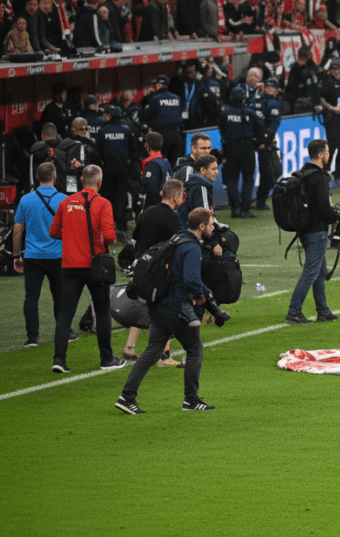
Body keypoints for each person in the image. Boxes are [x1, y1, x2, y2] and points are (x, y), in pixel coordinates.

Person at [114, 207, 218, 414]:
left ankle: (126, 397)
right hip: (176, 307)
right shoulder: (192, 247)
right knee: (195, 350)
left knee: (152, 352)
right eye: (211, 224)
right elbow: (190, 280)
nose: (213, 227)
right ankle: (191, 400)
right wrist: (206, 293)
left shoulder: (176, 239)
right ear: (201, 226)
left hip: (158, 305)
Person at [49, 165, 126, 374]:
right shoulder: (102, 203)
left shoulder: (66, 202)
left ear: (82, 179)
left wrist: (73, 237)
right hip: (95, 265)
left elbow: (54, 231)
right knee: (101, 312)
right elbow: (110, 236)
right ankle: (106, 358)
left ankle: (59, 359)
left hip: (70, 265)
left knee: (65, 313)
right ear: (99, 183)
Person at [286, 139, 340, 324]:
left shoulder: (302, 174)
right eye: (327, 152)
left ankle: (323, 310)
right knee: (312, 271)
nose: (329, 155)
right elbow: (323, 208)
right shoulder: (319, 177)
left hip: (304, 229)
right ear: (321, 154)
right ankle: (294, 312)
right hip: (316, 230)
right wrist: (339, 216)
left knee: (320, 271)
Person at [127, 178, 188, 366]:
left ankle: (129, 346)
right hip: (158, 271)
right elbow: (180, 243)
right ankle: (164, 356)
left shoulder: (148, 212)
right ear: (176, 197)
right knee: (166, 309)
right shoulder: (172, 217)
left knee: (144, 306)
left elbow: (135, 236)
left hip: (141, 267)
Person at [14, 162, 71, 347]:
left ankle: (32, 337)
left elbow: (17, 230)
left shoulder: (26, 199)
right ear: (55, 177)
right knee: (59, 296)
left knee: (31, 296)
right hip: (57, 255)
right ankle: (65, 332)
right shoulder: (64, 199)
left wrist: (16, 256)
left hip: (33, 255)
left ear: (37, 177)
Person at [218, 87, 264, 219]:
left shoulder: (225, 113)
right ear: (244, 98)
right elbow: (260, 130)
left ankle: (235, 209)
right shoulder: (251, 113)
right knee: (248, 179)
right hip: (248, 148)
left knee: (232, 178)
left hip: (231, 148)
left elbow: (222, 129)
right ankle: (245, 210)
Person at [95, 104, 137, 236]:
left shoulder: (103, 130)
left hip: (107, 168)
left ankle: (107, 225)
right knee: (120, 196)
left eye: (105, 113)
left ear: (109, 115)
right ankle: (121, 226)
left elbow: (98, 151)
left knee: (107, 196)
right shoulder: (127, 129)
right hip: (123, 168)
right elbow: (134, 151)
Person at [317, 60, 340, 178]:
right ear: (331, 71)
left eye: (339, 69)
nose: (337, 72)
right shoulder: (326, 82)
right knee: (332, 146)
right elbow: (321, 99)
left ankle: (339, 171)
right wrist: (333, 108)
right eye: (334, 69)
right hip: (332, 118)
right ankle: (325, 171)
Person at [140, 74, 185, 166]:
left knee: (161, 164)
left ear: (159, 85)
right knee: (175, 165)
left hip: (162, 136)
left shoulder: (154, 99)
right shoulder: (177, 98)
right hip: (177, 136)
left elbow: (145, 116)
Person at [254, 78, 283, 210]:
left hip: (263, 141)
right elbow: (274, 123)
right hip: (263, 142)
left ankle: (260, 200)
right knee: (272, 172)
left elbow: (273, 124)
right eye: (268, 87)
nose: (270, 89)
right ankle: (259, 201)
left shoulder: (261, 101)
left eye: (273, 87)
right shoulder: (268, 102)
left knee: (272, 172)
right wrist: (264, 140)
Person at [178, 154, 217, 224]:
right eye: (213, 169)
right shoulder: (200, 187)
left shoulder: (194, 184)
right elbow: (206, 218)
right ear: (203, 170)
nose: (217, 172)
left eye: (216, 168)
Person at [140, 132, 172, 210]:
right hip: (167, 205)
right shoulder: (166, 162)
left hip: (155, 208)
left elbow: (151, 189)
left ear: (147, 146)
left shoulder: (152, 164)